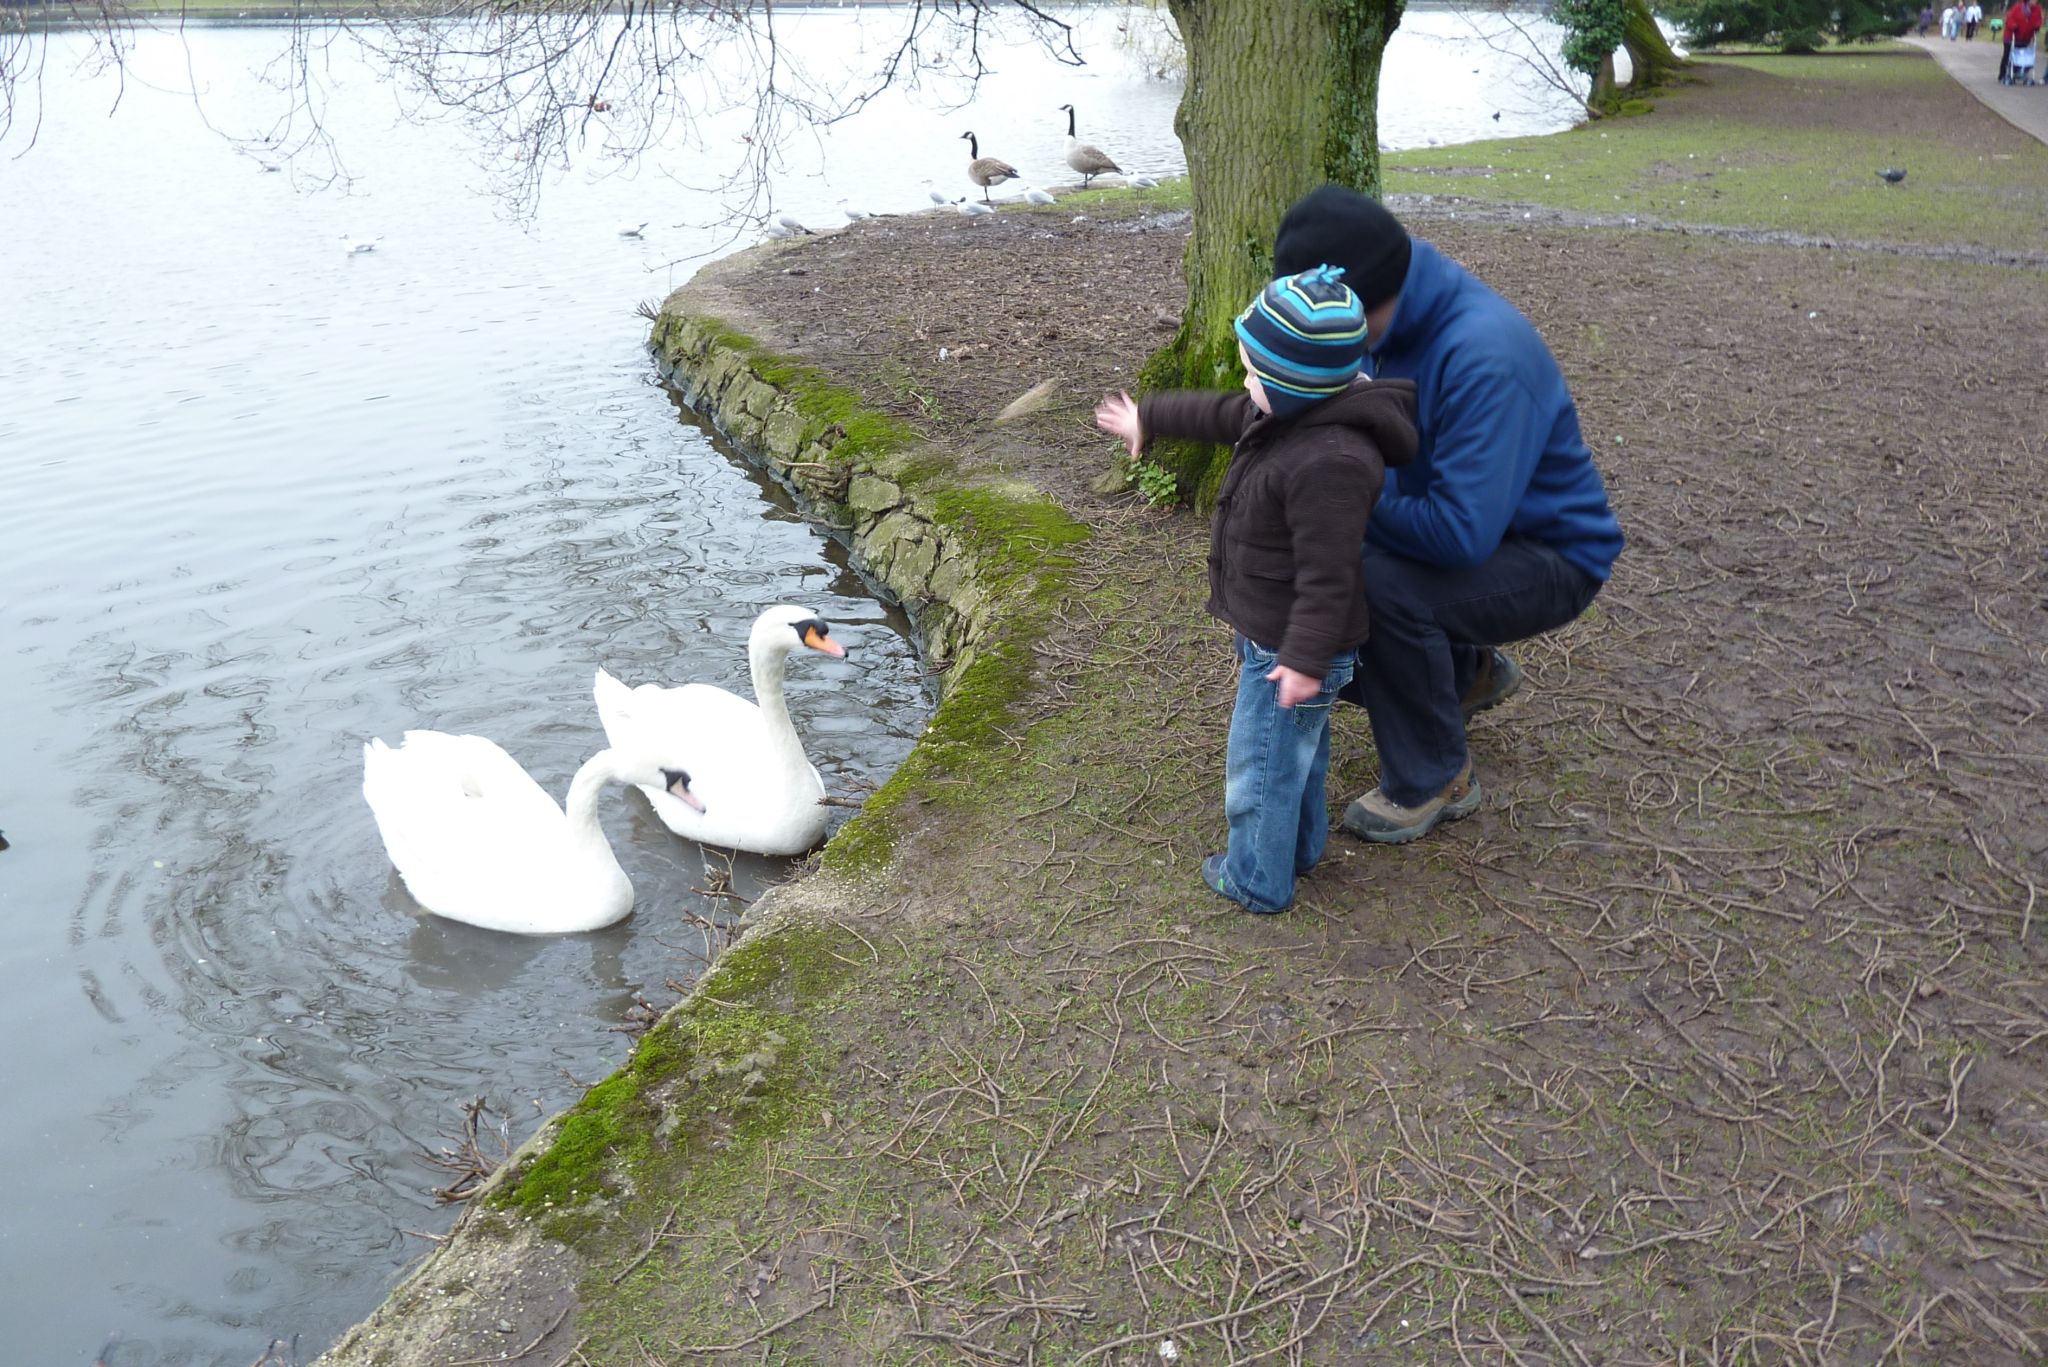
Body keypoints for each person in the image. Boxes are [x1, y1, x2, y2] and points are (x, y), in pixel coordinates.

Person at [1270, 186, 1624, 844]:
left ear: (1357, 299)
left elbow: (1460, 534)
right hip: (1479, 528)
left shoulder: (1483, 354)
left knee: (1374, 585)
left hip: (1550, 553)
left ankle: (1434, 776)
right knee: (1313, 571)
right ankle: (1465, 674)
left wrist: (1343, 498)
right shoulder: (1377, 326)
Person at [1094, 266, 1418, 912]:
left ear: (1294, 384)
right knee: (1295, 756)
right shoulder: (1291, 412)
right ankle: (1297, 850)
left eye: (1252, 374)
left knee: (1261, 766)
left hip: (1291, 651)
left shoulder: (1330, 462)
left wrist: (1302, 659)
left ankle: (1256, 879)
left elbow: (1329, 576)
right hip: (1281, 638)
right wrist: (1148, 418)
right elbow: (1220, 413)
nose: (1244, 384)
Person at [2010, 0, 2043, 82]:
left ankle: (2023, 71)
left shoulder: (2037, 9)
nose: (2036, 1)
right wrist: (2013, 26)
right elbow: (2011, 18)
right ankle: (2014, 71)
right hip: (2017, 34)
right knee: (2015, 54)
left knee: (2026, 55)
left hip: (2028, 35)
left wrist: (2037, 26)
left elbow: (2039, 20)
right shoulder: (2018, 7)